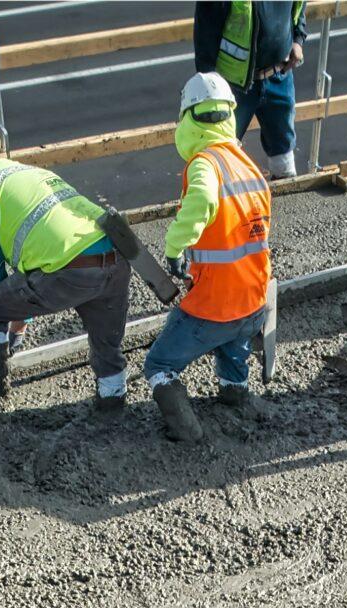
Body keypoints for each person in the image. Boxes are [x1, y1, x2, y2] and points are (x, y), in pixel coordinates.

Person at [0, 122, 134, 422]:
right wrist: (19, 320)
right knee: (106, 337)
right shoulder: (34, 172)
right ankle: (113, 399)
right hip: (116, 261)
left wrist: (7, 325)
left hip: (69, 272)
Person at [144, 74, 275, 444]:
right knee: (234, 351)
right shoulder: (248, 166)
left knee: (158, 365)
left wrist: (174, 248)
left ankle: (187, 429)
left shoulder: (205, 163)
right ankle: (235, 393)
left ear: (188, 119)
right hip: (252, 303)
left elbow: (201, 202)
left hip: (213, 305)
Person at [191, 2, 307, 177]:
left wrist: (298, 38)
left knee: (283, 159)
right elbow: (205, 32)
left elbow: (299, 5)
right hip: (232, 86)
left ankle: (287, 196)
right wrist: (209, 86)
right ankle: (219, 202)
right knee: (220, 158)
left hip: (278, 75)